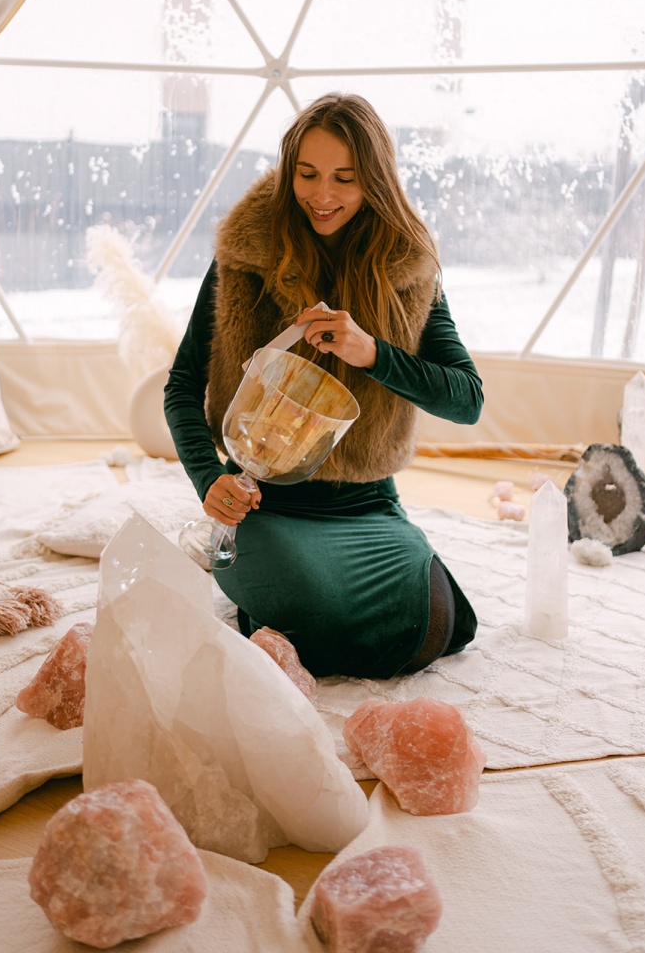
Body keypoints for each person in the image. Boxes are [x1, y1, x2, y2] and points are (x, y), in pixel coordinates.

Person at [164, 93, 483, 679]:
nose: (323, 194)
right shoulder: (245, 256)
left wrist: (372, 353)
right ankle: (274, 598)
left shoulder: (408, 270)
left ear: (375, 181)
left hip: (369, 504)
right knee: (329, 619)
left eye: (345, 178)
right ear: (289, 170)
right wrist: (209, 480)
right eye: (307, 174)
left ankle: (280, 615)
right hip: (262, 502)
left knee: (433, 629)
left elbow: (467, 400)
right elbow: (182, 384)